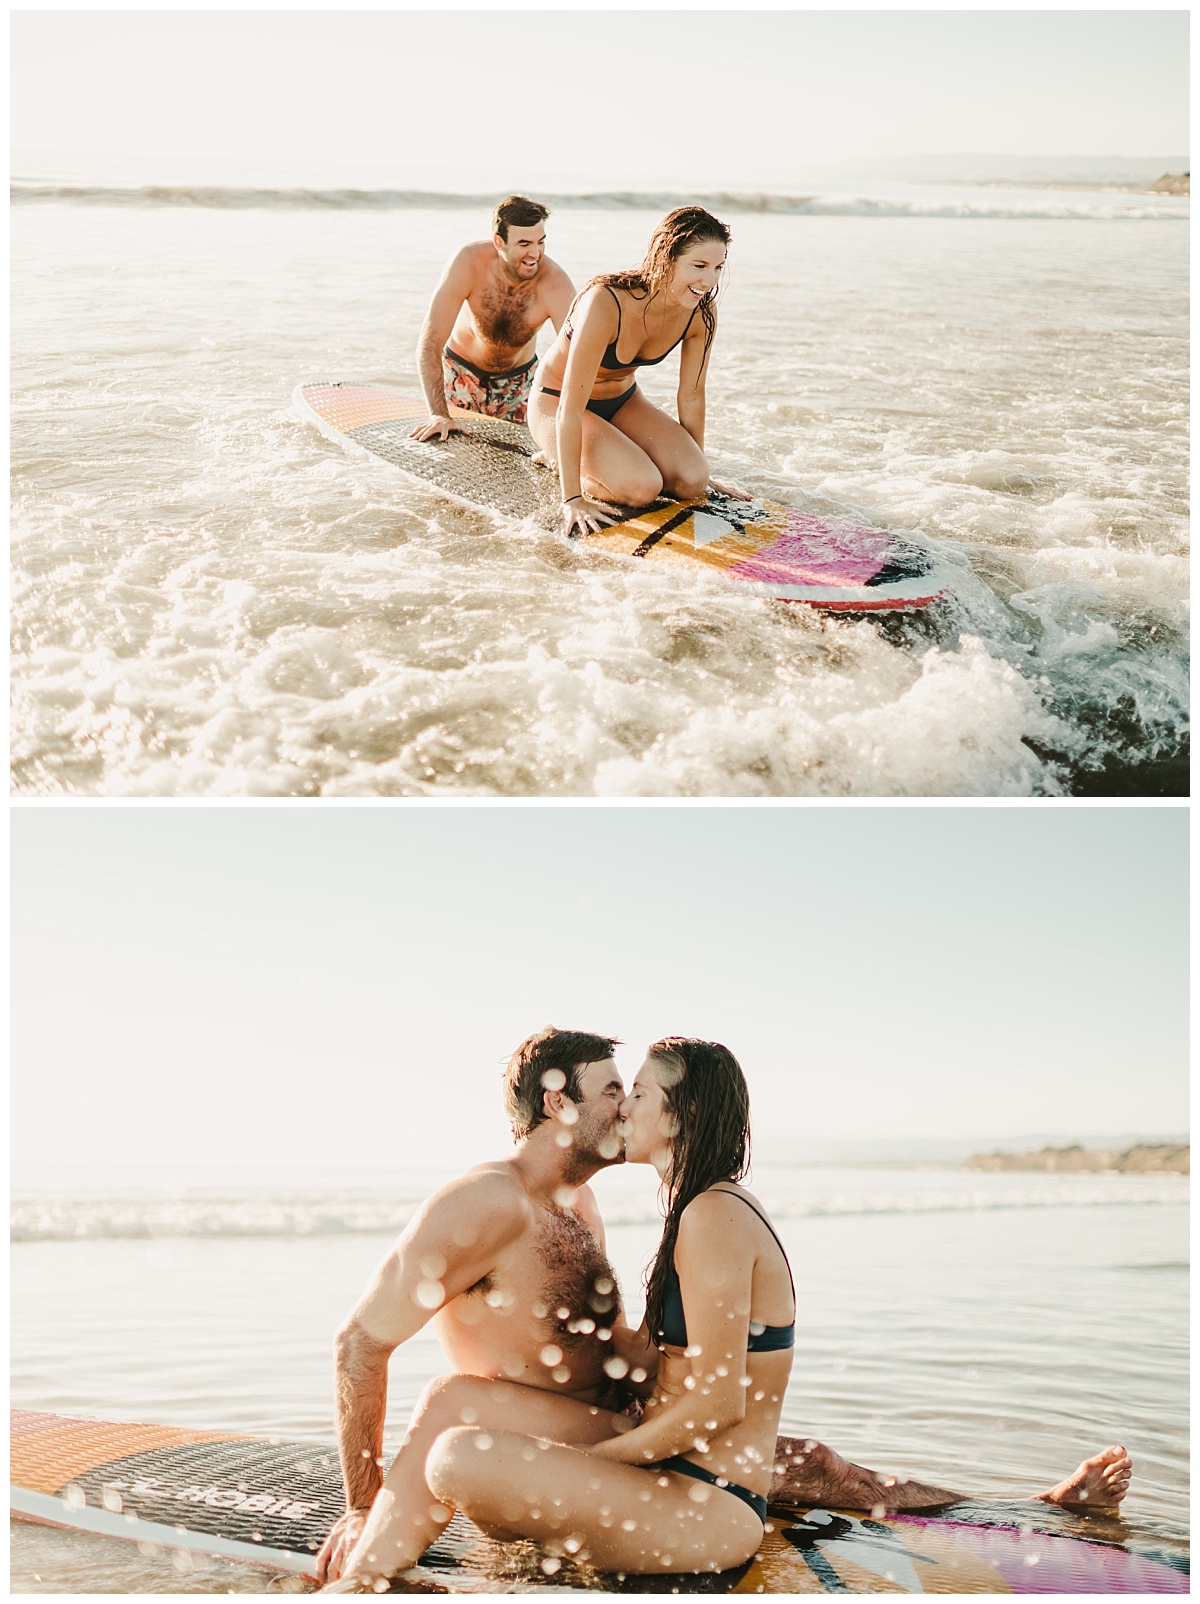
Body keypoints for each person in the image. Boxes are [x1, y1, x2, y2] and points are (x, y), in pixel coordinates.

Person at [320, 1037, 1132, 1590]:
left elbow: (665, 1368)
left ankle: (1029, 1509)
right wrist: (362, 1502)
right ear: (561, 1101)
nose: (626, 1108)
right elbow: (360, 1343)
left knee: (820, 1466)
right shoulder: (486, 1206)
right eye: (616, 1092)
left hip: (653, 1443)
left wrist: (649, 1436)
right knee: (450, 1412)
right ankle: (369, 1569)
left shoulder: (611, 1210)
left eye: (637, 1094)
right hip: (610, 1437)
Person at [527, 206, 746, 540]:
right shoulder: (606, 301)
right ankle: (560, 460)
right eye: (699, 266)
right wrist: (572, 498)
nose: (709, 280)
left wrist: (700, 476)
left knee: (690, 480)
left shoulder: (700, 312)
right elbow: (570, 406)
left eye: (718, 267)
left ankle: (610, 459)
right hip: (557, 404)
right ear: (666, 259)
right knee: (642, 486)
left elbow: (691, 396)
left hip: (623, 403)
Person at [410, 196, 575, 441]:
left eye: (541, 242)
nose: (535, 253)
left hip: (519, 387)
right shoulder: (469, 262)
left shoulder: (556, 284)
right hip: (459, 378)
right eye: (524, 243)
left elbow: (580, 358)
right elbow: (429, 344)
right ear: (499, 242)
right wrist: (438, 414)